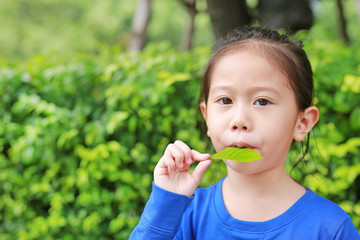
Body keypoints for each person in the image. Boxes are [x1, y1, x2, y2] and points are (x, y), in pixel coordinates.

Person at [129, 26, 360, 239]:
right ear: (206, 116)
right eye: (225, 100)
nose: (239, 120)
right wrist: (165, 203)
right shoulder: (183, 214)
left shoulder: (330, 227)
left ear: (303, 122)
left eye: (262, 101)